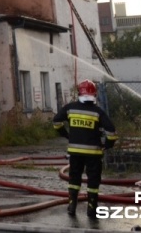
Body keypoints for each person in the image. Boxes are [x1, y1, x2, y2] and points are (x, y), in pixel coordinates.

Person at [52, 80, 118, 218]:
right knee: (93, 180)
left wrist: (66, 135)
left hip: (75, 152)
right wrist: (108, 144)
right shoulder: (98, 112)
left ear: (79, 93)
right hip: (93, 153)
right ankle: (92, 208)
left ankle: (72, 205)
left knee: (74, 178)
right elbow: (111, 130)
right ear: (94, 94)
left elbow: (56, 121)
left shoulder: (70, 108)